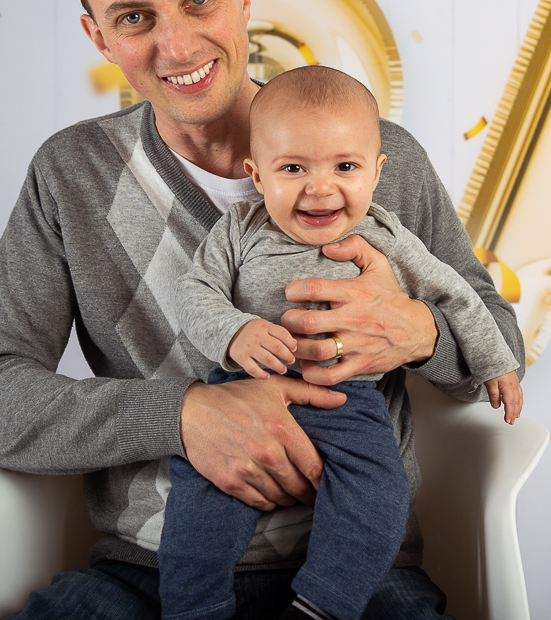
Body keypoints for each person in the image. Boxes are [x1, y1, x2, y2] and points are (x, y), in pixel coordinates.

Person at [0, 0, 524, 619]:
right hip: (147, 576)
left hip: (360, 578)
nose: (178, 45)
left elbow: (500, 348)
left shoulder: (376, 156)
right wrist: (184, 414)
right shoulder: (72, 175)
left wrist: (419, 332)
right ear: (98, 36)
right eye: (134, 16)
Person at [160, 65, 522, 620]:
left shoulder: (387, 236)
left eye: (345, 167)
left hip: (347, 404)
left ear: (376, 173)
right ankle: (193, 607)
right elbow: (195, 294)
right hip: (241, 396)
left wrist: (496, 362)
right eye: (294, 168)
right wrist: (235, 332)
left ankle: (323, 605)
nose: (320, 187)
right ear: (258, 176)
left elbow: (457, 295)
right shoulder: (239, 229)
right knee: (201, 493)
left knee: (379, 496)